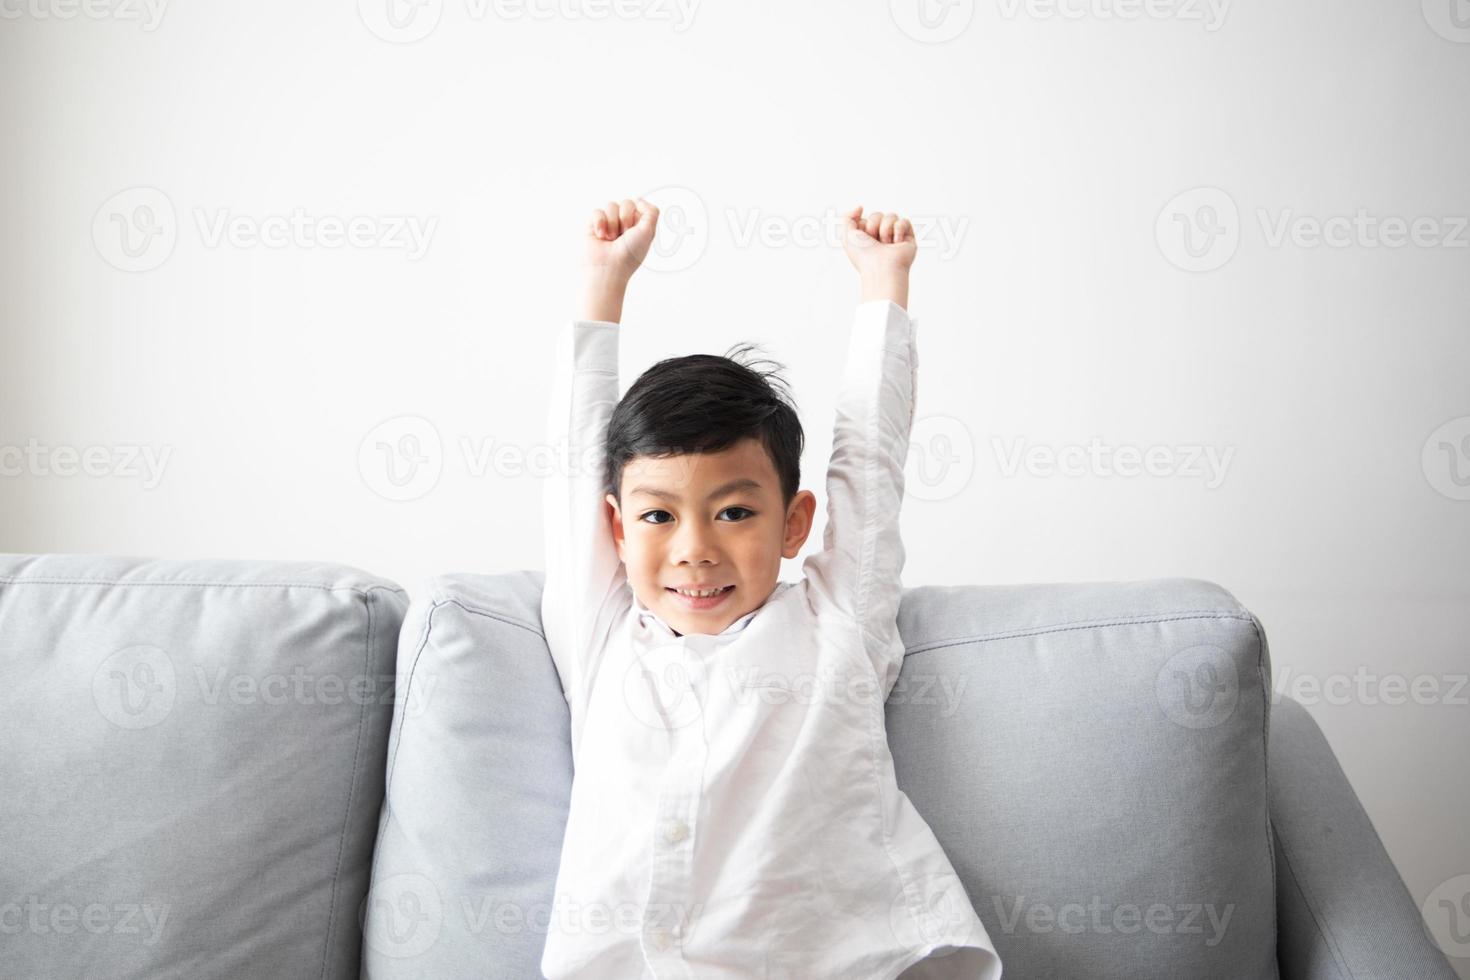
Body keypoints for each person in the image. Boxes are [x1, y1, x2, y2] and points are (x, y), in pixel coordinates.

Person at [540, 196, 1001, 979]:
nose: (694, 550)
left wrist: (883, 287)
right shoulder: (604, 635)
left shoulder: (835, 629)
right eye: (659, 516)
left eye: (734, 512)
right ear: (618, 528)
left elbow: (870, 466)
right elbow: (573, 471)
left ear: (793, 525)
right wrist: (602, 285)